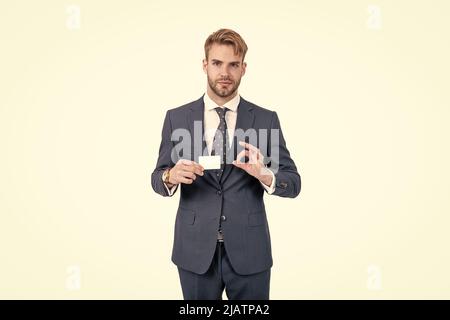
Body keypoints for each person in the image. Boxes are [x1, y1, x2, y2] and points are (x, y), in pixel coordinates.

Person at [151, 28, 301, 300]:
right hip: (194, 252)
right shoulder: (177, 118)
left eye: (233, 65)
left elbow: (293, 182)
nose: (225, 72)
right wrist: (170, 176)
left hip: (250, 252)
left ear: (243, 68)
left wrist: (265, 174)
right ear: (204, 65)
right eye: (217, 63)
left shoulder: (266, 120)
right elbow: (157, 178)